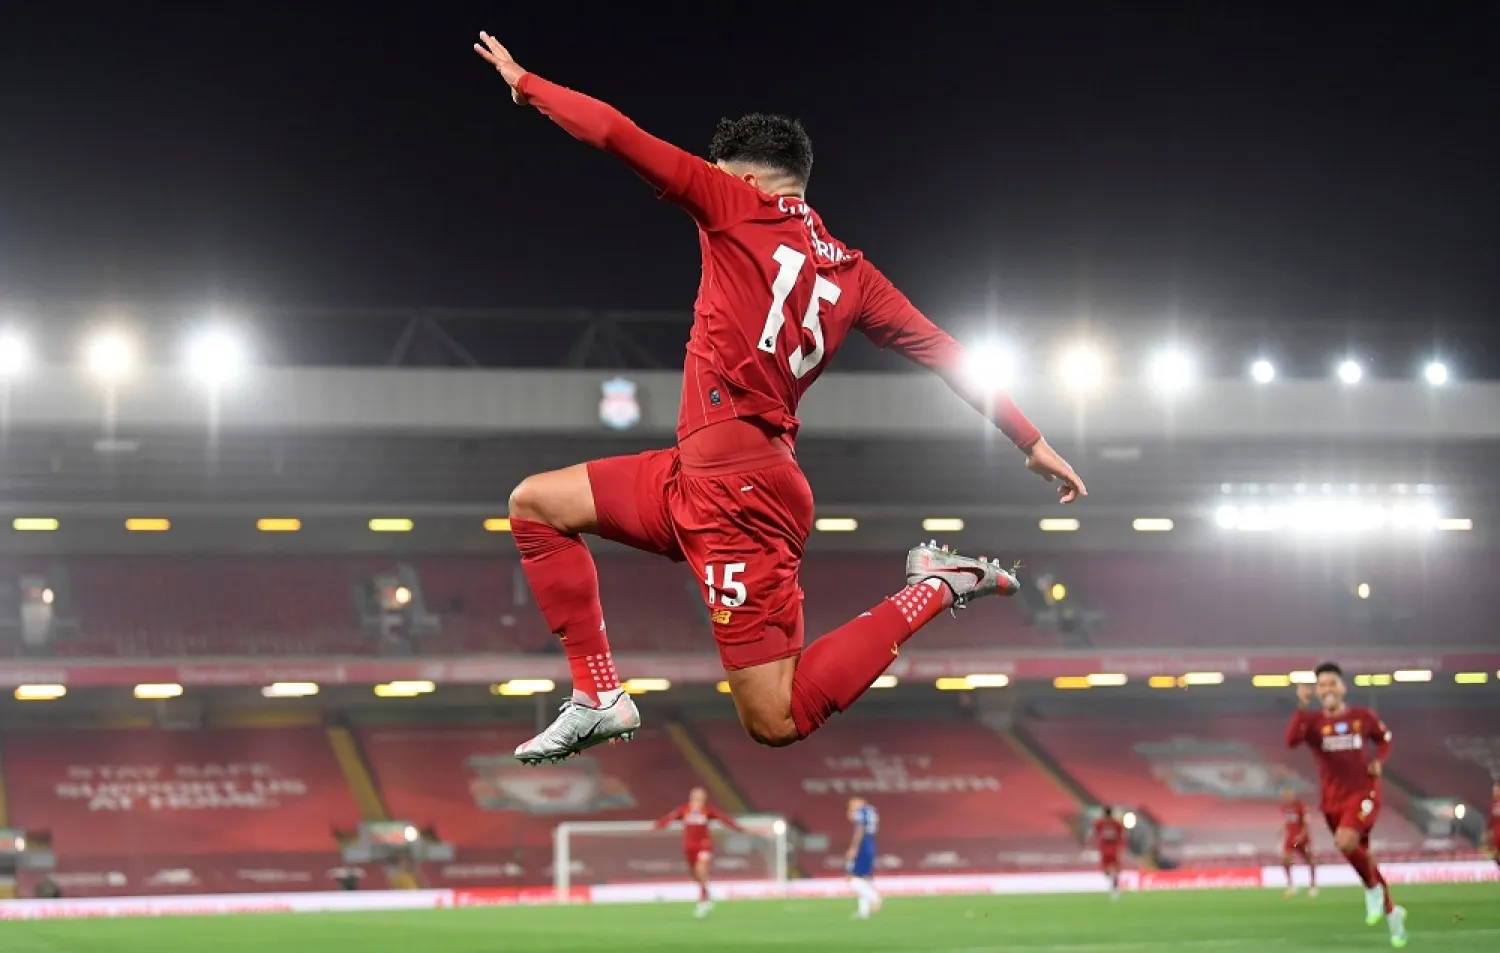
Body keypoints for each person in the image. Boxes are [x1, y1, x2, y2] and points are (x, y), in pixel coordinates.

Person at [472, 31, 1086, 765]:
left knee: (775, 718)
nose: (711, 182)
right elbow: (946, 352)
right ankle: (598, 694)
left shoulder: (734, 205)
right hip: (698, 474)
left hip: (740, 495)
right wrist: (1030, 440)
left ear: (751, 180)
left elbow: (615, 132)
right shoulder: (856, 276)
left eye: (720, 175)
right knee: (536, 504)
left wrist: (527, 84)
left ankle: (936, 585)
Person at [1286, 662, 1408, 947]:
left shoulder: (1362, 716)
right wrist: (1301, 706)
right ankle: (1393, 915)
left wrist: (1379, 761)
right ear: (1317, 691)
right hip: (1332, 801)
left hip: (1364, 792)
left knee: (1346, 841)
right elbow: (1291, 740)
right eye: (1322, 685)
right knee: (1359, 853)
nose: (1328, 689)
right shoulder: (1313, 722)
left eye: (1332, 683)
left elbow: (1385, 739)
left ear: (1343, 687)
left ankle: (1372, 890)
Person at [654, 786, 743, 918]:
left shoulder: (707, 810)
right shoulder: (684, 810)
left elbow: (724, 819)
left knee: (701, 868)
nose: (699, 798)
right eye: (696, 796)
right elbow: (669, 818)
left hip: (704, 845)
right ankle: (706, 892)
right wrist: (656, 826)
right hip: (689, 847)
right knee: (695, 874)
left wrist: (738, 828)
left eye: (701, 796)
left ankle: (703, 900)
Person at [846, 797, 881, 920]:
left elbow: (860, 830)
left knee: (851, 878)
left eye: (852, 806)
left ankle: (875, 898)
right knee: (864, 879)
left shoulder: (862, 812)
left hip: (863, 845)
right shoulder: (871, 811)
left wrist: (854, 848)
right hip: (870, 843)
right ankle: (864, 912)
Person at [1278, 786, 1318, 898]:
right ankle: (1291, 885)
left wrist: (1302, 835)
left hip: (1302, 838)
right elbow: (1289, 821)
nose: (1286, 798)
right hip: (1290, 838)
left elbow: (1306, 823)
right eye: (1284, 796)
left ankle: (1313, 885)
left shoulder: (1301, 807)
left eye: (1288, 795)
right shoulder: (1285, 807)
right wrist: (1282, 829)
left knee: (1309, 859)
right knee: (1285, 859)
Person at [1091, 806, 1126, 900]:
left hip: (1114, 847)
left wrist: (1121, 847)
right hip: (1104, 848)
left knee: (1115, 869)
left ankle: (1115, 888)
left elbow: (1121, 835)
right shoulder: (1100, 823)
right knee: (1105, 871)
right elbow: (1096, 833)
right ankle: (1114, 882)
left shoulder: (1116, 823)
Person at [1488, 780, 1500, 871]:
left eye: (1496, 790)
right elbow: (1491, 821)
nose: (1494, 792)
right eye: (1494, 790)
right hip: (1496, 834)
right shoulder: (1493, 804)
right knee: (1495, 855)